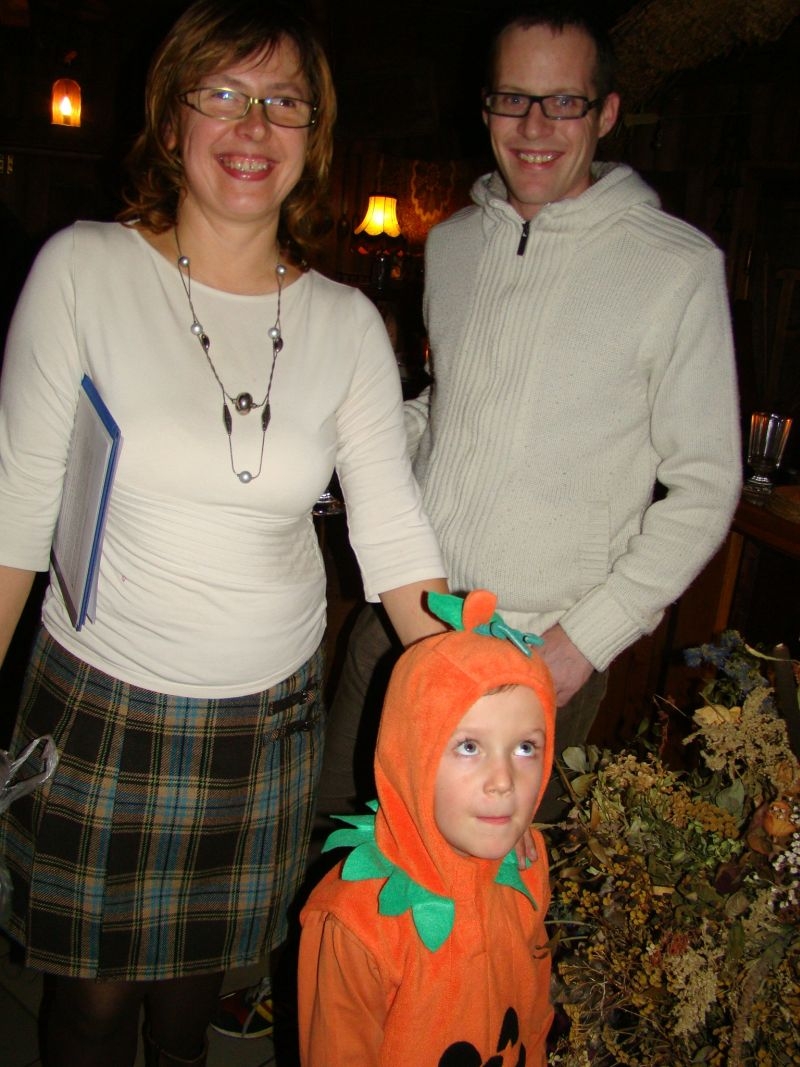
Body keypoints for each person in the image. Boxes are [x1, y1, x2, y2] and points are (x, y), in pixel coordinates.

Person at [0, 2, 446, 1064]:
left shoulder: (347, 322)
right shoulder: (83, 269)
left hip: (264, 722)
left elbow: (393, 534)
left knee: (186, 1007)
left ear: (312, 136)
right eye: (223, 95)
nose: (253, 127)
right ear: (170, 121)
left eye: (283, 102)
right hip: (105, 697)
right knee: (92, 1009)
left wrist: (469, 682)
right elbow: (14, 513)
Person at [317, 0, 742, 828]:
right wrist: (353, 433)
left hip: (535, 655)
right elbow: (451, 406)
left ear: (606, 113)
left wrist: (582, 643)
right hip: (402, 621)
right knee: (340, 852)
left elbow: (707, 486)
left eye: (564, 102)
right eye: (513, 98)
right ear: (486, 110)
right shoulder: (452, 244)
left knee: (487, 899)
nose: (535, 126)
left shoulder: (677, 267)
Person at [298, 589, 556, 1066]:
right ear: (411, 756)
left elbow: (535, 1011)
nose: (503, 781)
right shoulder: (356, 922)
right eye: (468, 747)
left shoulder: (527, 867)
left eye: (525, 748)